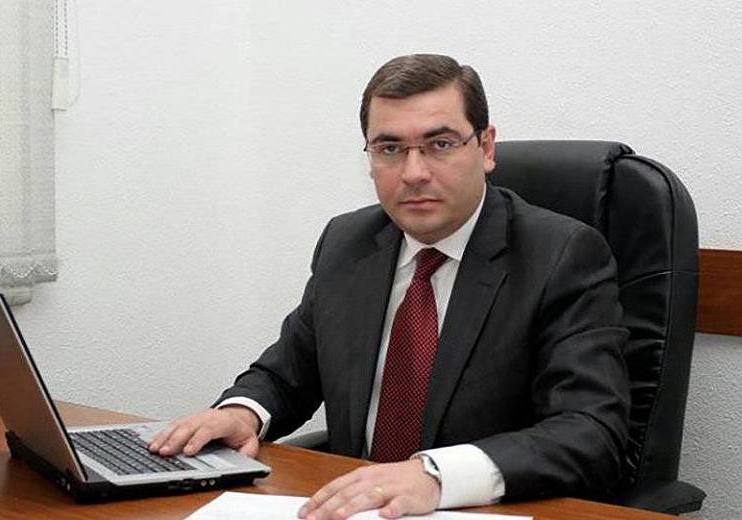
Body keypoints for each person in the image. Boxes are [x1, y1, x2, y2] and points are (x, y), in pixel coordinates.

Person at [149, 54, 630, 519]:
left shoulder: (561, 256)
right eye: (390, 148)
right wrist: (243, 414)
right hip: (352, 509)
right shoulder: (348, 243)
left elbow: (590, 432)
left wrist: (435, 475)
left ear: (485, 148)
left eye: (440, 144)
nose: (414, 172)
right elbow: (288, 372)